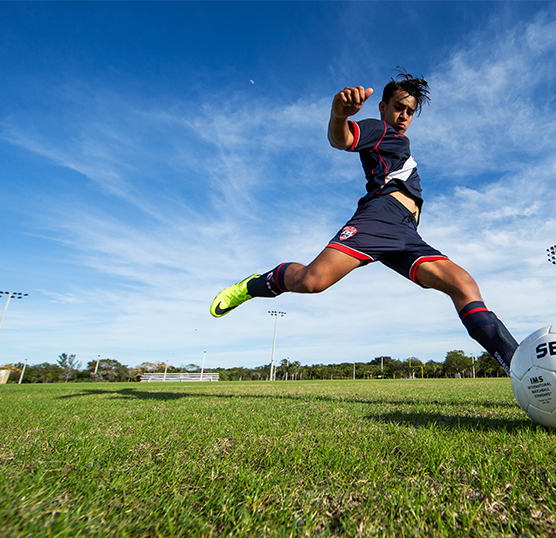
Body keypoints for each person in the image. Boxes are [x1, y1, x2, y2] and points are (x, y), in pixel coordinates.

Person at [211, 71, 518, 373]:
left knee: (463, 285)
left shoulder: (400, 142)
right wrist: (338, 115)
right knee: (311, 281)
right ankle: (251, 286)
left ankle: (521, 368)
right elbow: (342, 139)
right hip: (379, 217)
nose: (403, 116)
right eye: (398, 107)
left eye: (410, 112)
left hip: (405, 232)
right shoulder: (380, 131)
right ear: (383, 107)